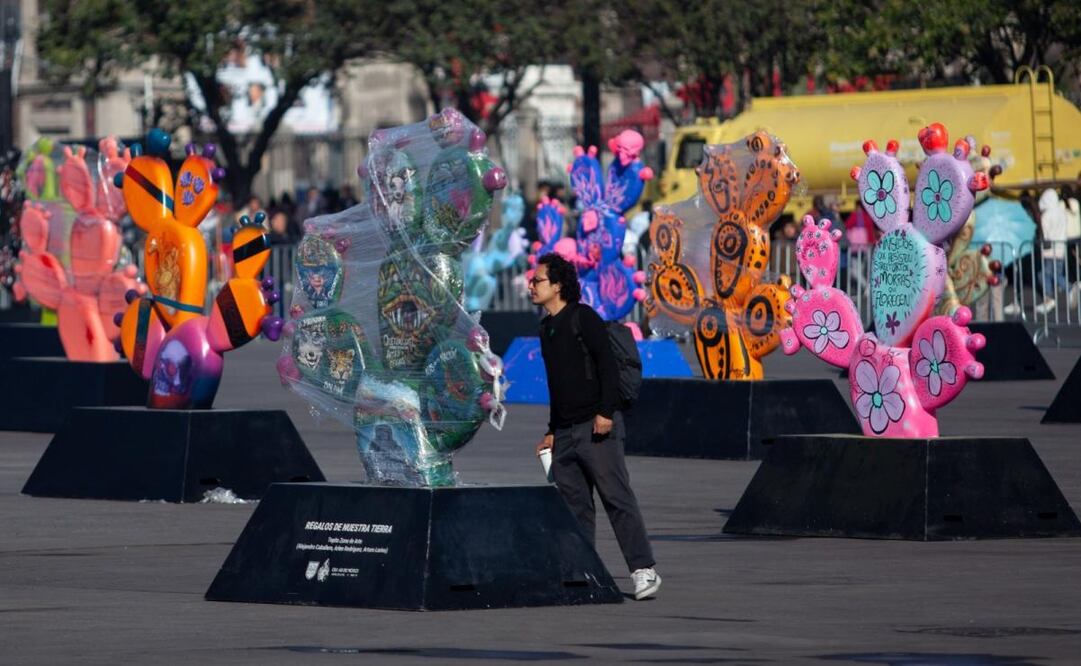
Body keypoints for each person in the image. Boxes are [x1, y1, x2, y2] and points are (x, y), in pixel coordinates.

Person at [530, 253, 661, 600]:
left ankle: (643, 570)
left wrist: (606, 411)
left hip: (596, 425)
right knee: (574, 506)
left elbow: (607, 365)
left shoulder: (582, 317)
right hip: (567, 431)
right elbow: (557, 384)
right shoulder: (546, 328)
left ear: (557, 285)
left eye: (538, 280)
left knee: (616, 497)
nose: (531, 285)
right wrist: (552, 430)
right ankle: (582, 572)